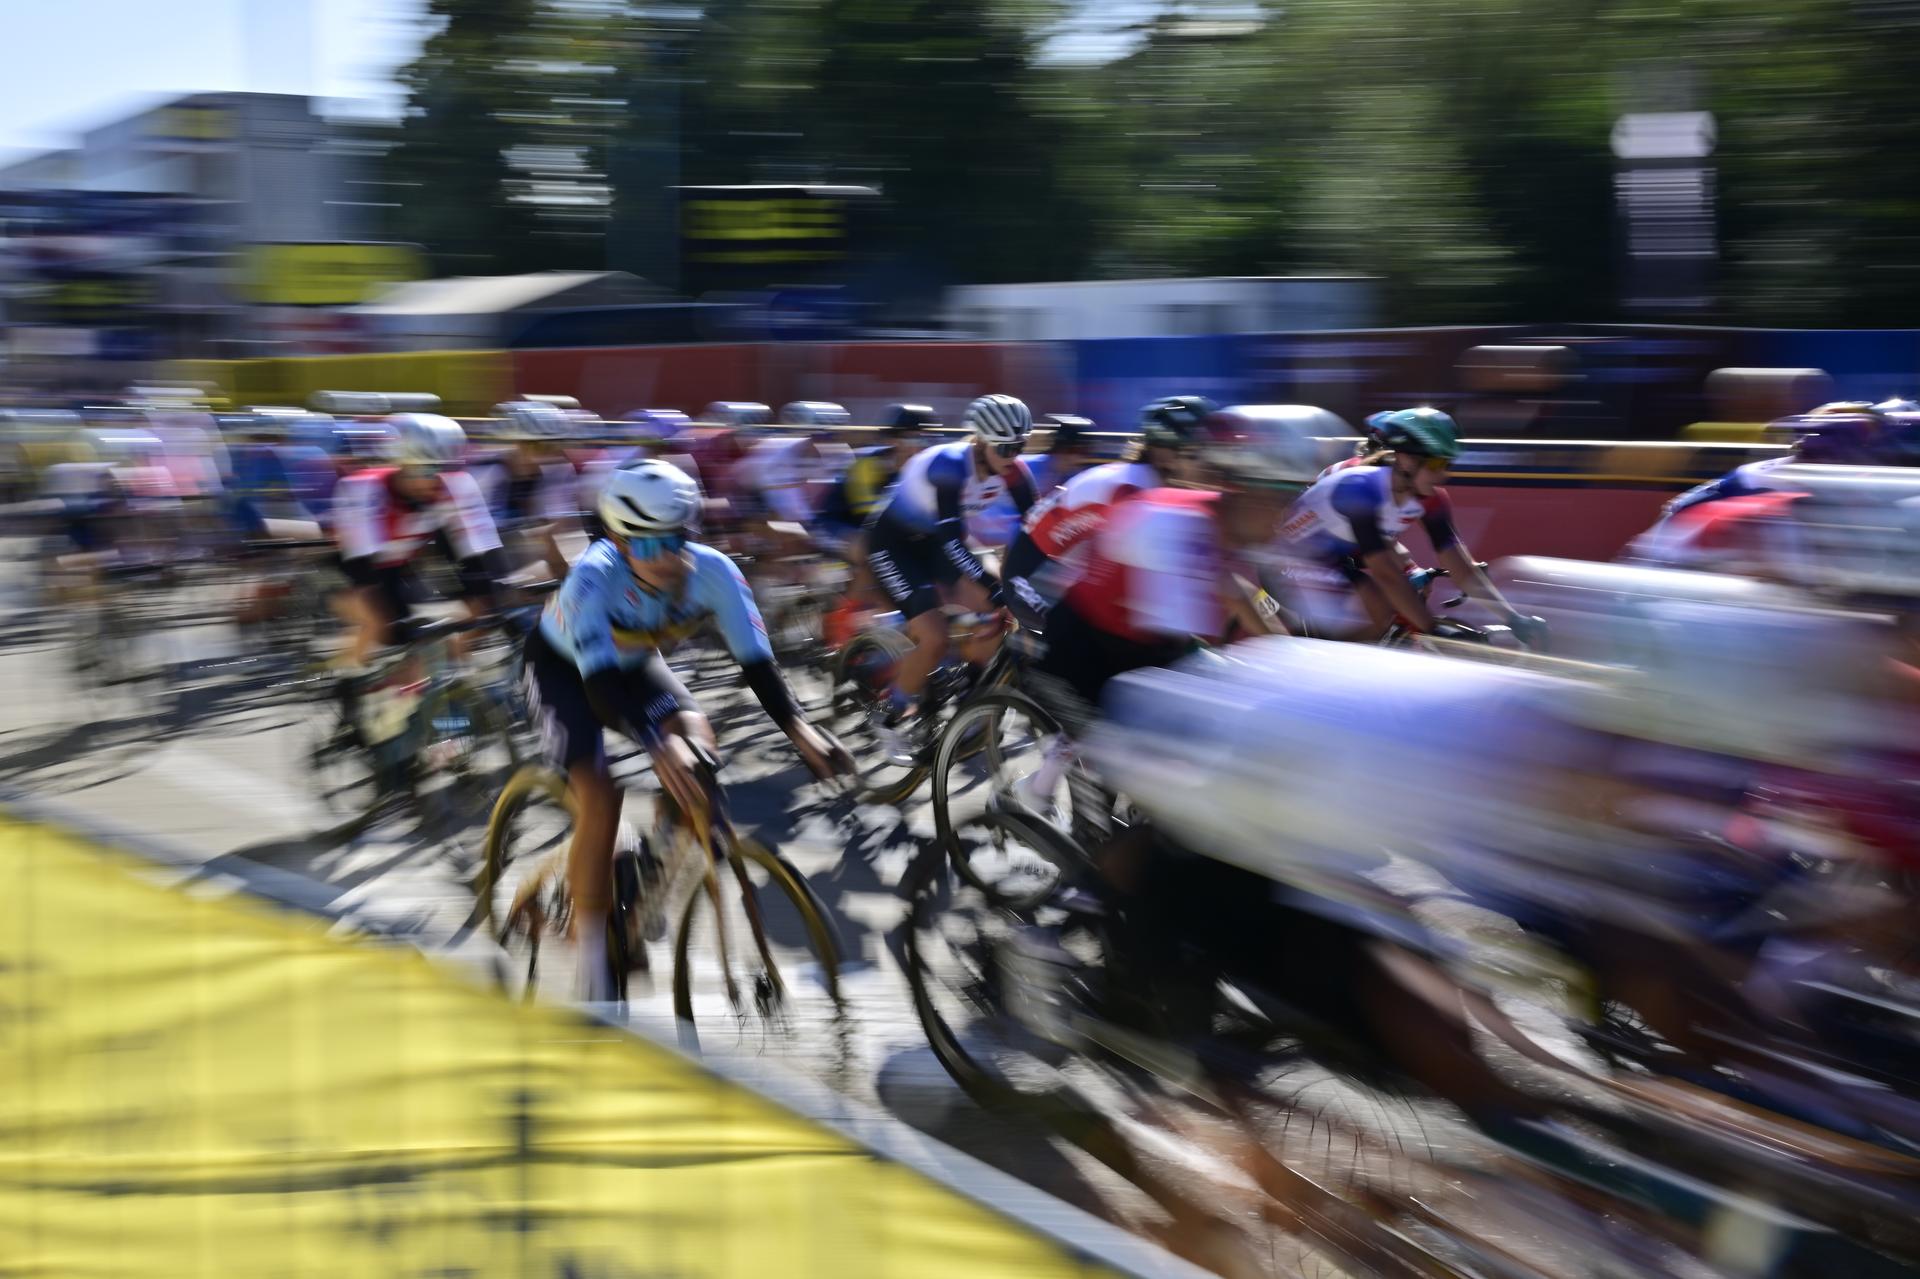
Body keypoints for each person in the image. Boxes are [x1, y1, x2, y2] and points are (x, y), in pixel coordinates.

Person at [525, 459, 852, 998]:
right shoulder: (593, 578)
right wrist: (656, 745)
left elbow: (758, 664)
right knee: (600, 798)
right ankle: (592, 962)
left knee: (699, 748)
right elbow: (601, 688)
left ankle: (643, 869)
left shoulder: (715, 571)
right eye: (650, 546)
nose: (668, 559)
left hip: (634, 667)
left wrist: (801, 729)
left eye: (678, 540)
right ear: (617, 539)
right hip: (567, 673)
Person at [864, 393, 1038, 759]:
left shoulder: (1014, 471)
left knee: (1000, 617)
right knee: (934, 638)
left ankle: (969, 696)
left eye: (1020, 446)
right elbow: (951, 540)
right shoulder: (950, 465)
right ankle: (889, 715)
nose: (1015, 457)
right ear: (981, 441)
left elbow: (1036, 530)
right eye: (1006, 448)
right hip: (894, 543)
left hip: (935, 544)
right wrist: (994, 587)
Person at [1277, 407, 1529, 641]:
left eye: (1447, 465)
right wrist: (1431, 627)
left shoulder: (1430, 497)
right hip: (1291, 560)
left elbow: (1461, 569)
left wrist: (1514, 619)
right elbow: (1384, 569)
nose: (1444, 475)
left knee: (1402, 595)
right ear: (1406, 460)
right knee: (1376, 609)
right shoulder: (1360, 486)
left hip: (1343, 550)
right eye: (1436, 464)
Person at [999, 396, 1210, 632]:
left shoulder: (1154, 485)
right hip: (1029, 576)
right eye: (1194, 454)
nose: (1206, 464)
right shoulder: (1132, 490)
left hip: (1062, 573)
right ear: (1163, 453)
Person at [331, 413, 506, 667]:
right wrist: (383, 619)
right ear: (401, 465)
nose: (435, 480)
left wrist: (483, 605)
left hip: (396, 565)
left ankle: (412, 691)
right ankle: (346, 678)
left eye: (444, 469)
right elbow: (361, 567)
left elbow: (477, 552)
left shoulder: (455, 486)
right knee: (377, 625)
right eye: (426, 469)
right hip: (349, 565)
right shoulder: (363, 488)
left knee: (429, 636)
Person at [487, 400, 582, 579]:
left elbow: (552, 532)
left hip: (521, 551)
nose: (550, 454)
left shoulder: (557, 469)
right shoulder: (488, 472)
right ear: (517, 443)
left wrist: (567, 580)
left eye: (554, 446)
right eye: (542, 447)